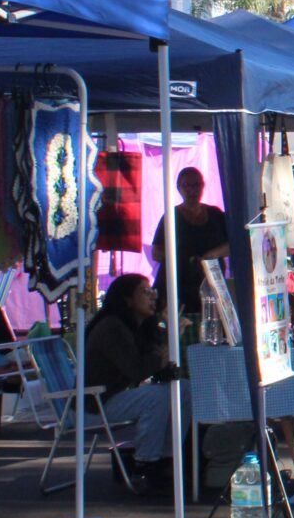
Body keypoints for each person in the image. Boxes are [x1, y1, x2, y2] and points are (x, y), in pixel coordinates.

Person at [84, 273, 183, 490]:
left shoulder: (135, 327)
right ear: (127, 299)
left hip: (109, 397)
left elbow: (152, 366)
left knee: (182, 391)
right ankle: (146, 465)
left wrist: (163, 331)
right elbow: (137, 369)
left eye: (153, 292)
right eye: (145, 292)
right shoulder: (111, 327)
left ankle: (168, 458)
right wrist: (168, 340)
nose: (152, 297)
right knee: (158, 396)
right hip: (93, 404)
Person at [151, 167, 231, 316]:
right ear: (178, 188)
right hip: (179, 284)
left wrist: (210, 255)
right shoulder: (171, 216)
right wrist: (180, 257)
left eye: (195, 185)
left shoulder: (216, 214)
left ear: (202, 186)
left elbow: (233, 244)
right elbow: (156, 252)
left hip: (211, 282)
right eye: (186, 186)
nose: (191, 190)